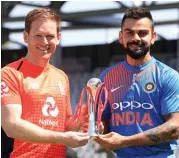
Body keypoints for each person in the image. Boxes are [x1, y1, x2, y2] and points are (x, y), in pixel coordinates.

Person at [1, 8, 89, 158]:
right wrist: (61, 138)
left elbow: (66, 128)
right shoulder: (9, 74)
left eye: (50, 36)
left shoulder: (62, 77)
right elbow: (12, 127)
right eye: (38, 36)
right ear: (25, 36)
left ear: (58, 38)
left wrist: (80, 120)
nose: (44, 42)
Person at [95, 7, 179, 158]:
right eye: (129, 33)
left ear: (153, 37)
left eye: (142, 33)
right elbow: (104, 121)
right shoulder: (107, 77)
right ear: (121, 37)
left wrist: (125, 141)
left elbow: (175, 128)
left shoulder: (168, 76)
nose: (136, 38)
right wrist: (99, 128)